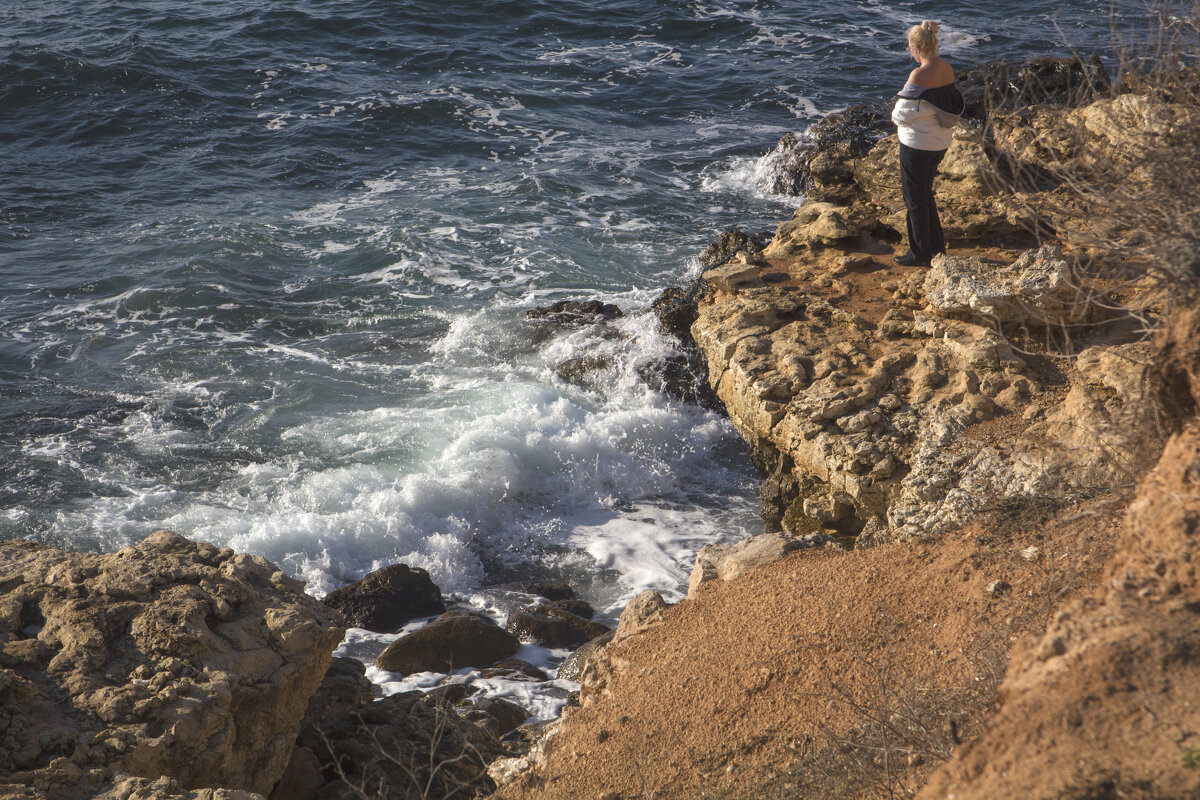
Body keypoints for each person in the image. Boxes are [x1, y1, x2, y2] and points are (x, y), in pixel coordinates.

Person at [891, 20, 964, 267]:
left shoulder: (918, 74)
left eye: (910, 47)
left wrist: (897, 116)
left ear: (917, 47)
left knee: (914, 198)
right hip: (939, 143)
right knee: (925, 194)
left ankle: (919, 253)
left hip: (917, 146)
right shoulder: (947, 68)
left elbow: (901, 115)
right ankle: (936, 248)